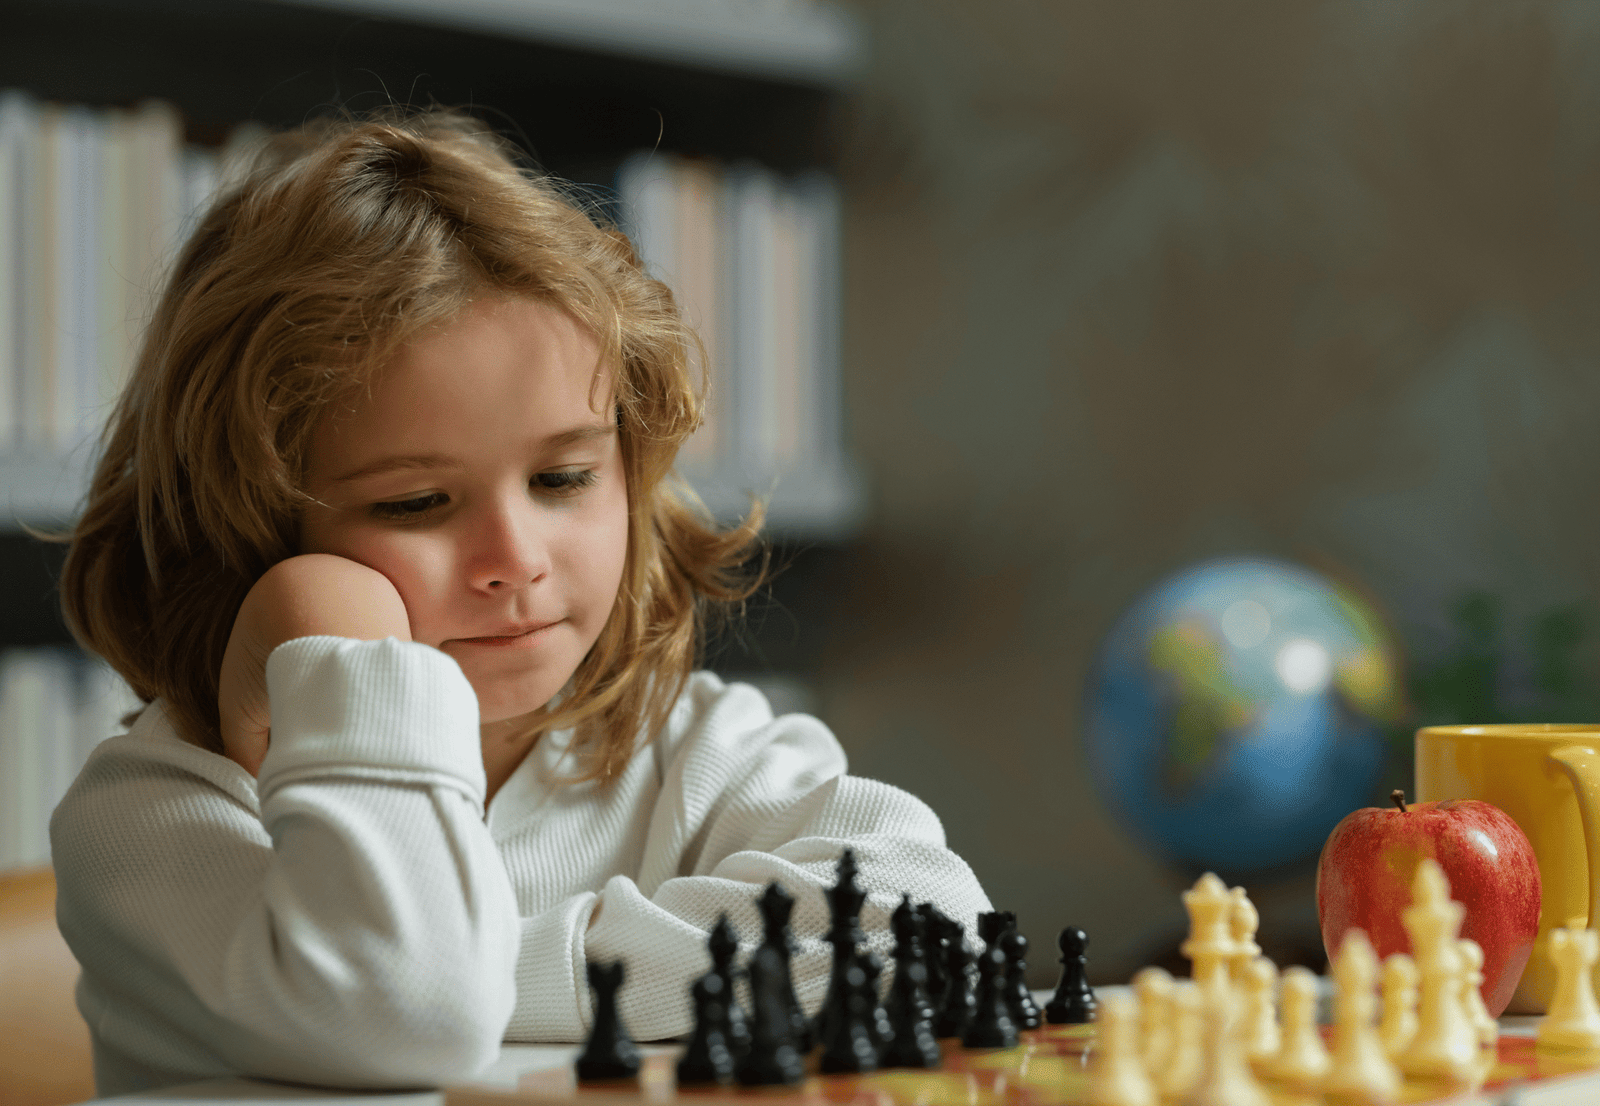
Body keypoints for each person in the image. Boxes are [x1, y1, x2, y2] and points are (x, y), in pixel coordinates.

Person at [47, 109, 991, 1096]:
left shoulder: (694, 753)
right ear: (247, 527)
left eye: (562, 478)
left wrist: (503, 952)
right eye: (415, 501)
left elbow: (930, 926)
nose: (515, 559)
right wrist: (345, 651)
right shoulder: (152, 814)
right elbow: (405, 1007)